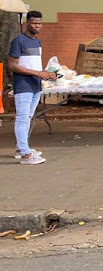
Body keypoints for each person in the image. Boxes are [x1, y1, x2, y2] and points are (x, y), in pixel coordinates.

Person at [9, 10, 56, 165]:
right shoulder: (18, 41)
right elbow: (13, 65)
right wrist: (37, 73)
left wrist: (49, 74)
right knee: (22, 118)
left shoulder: (37, 42)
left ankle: (20, 148)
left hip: (36, 85)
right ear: (26, 23)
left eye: (40, 23)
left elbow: (35, 65)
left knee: (28, 117)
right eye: (34, 23)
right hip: (23, 86)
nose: (37, 26)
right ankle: (25, 154)